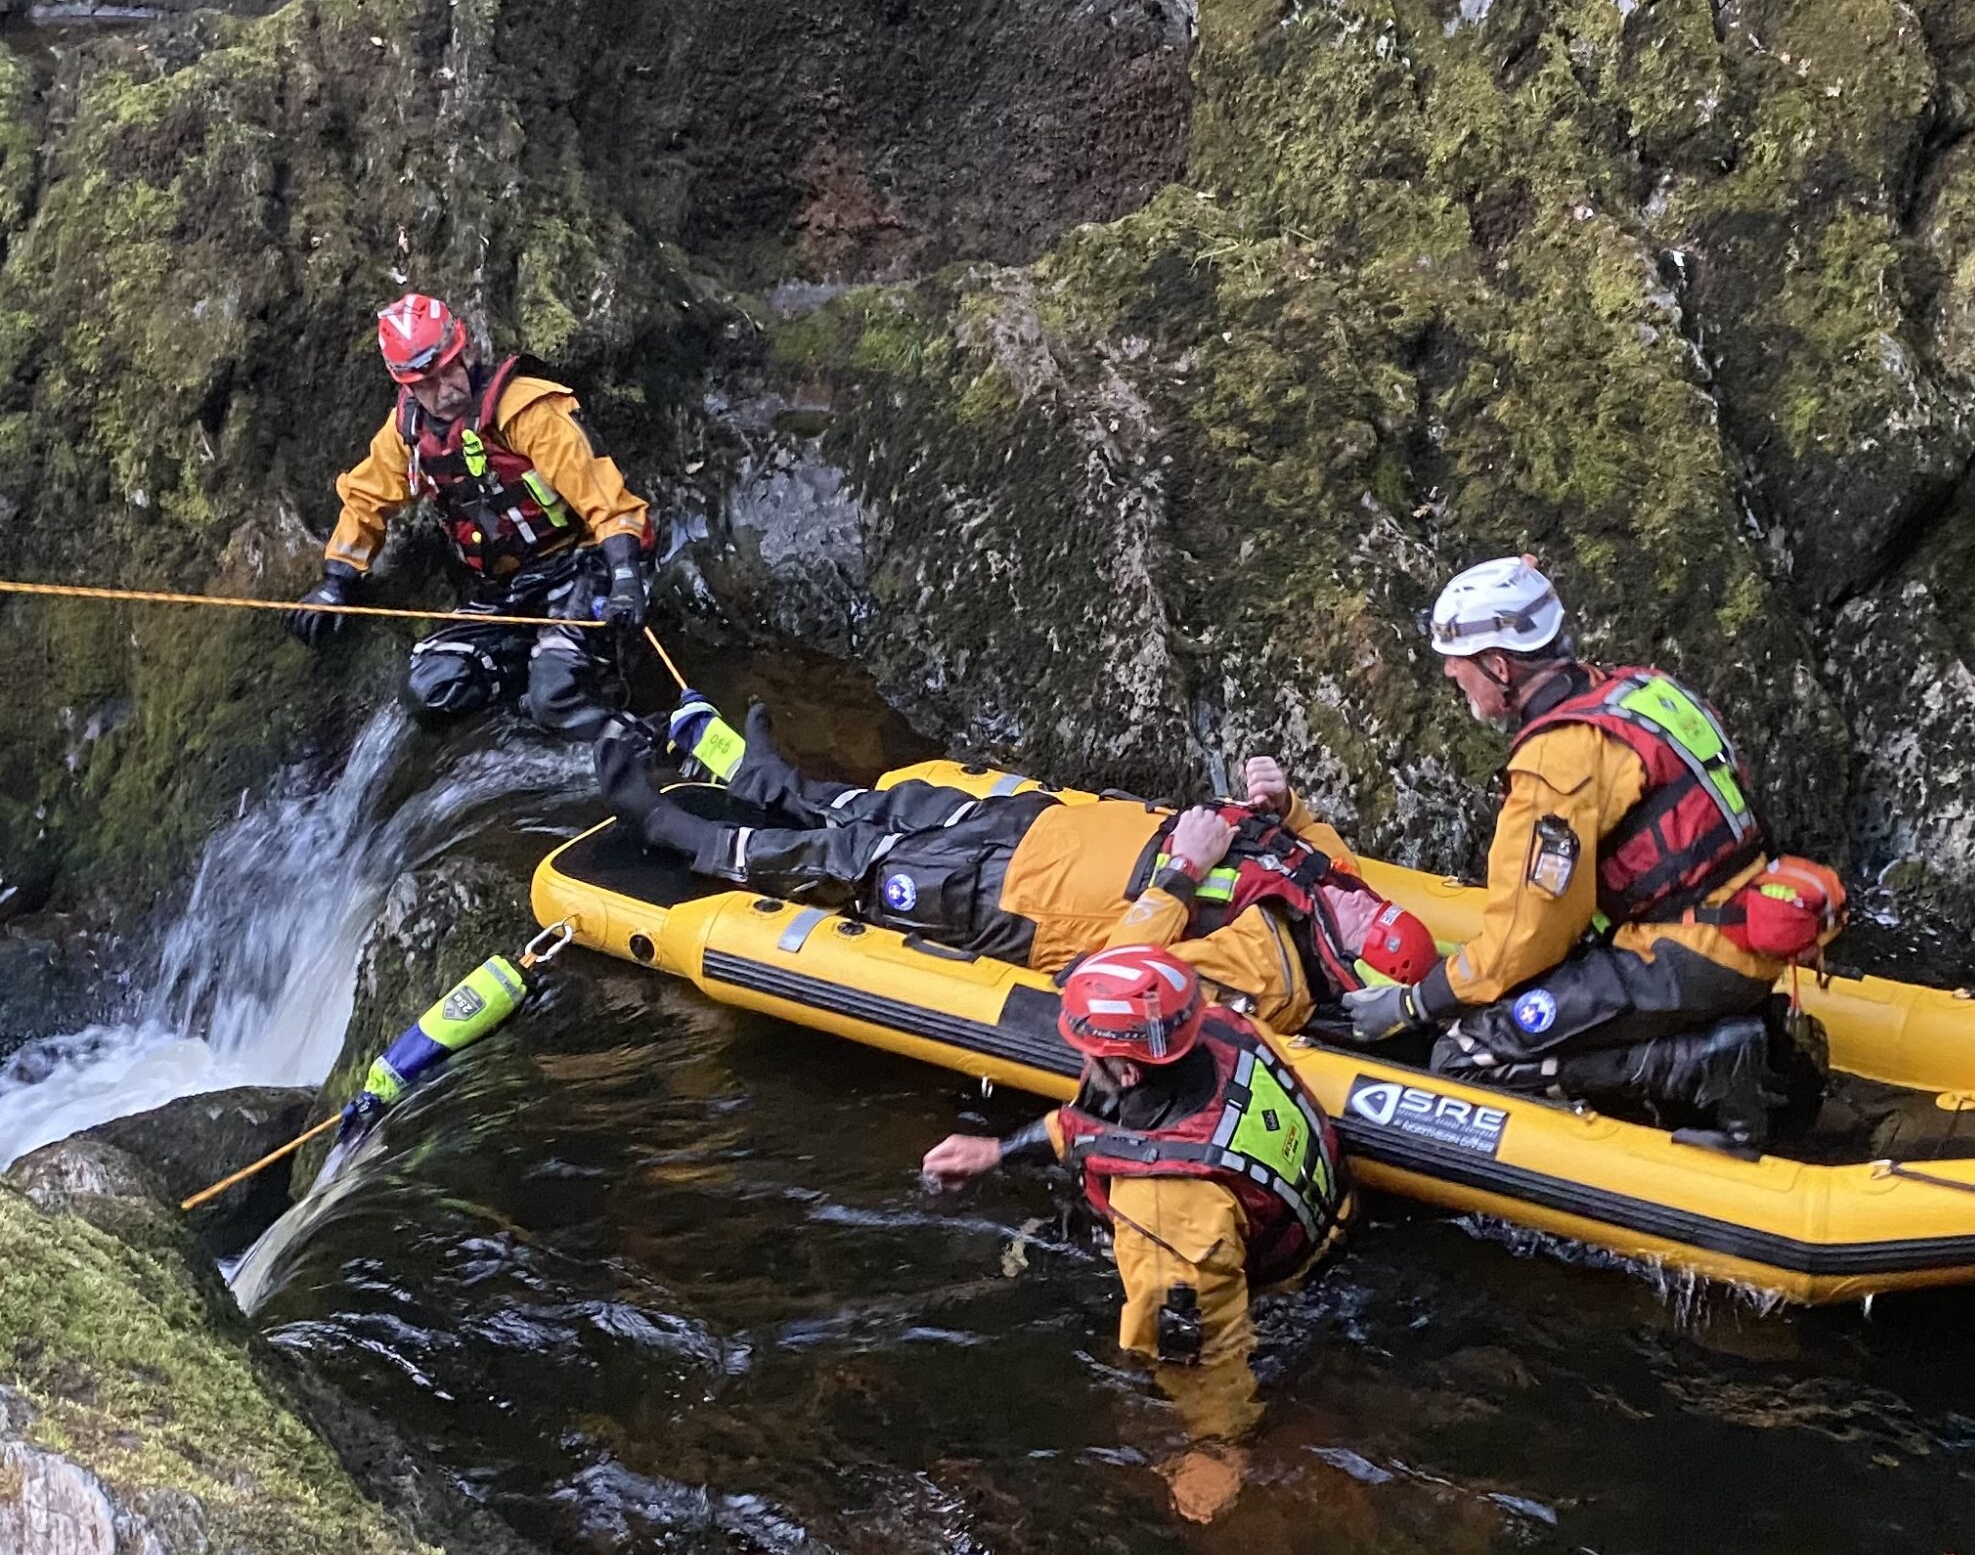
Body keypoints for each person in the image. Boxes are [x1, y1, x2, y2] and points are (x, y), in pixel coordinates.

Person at [1339, 555, 1838, 1141]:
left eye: (1458, 659)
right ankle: (1738, 1039)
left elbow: (1528, 936)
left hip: (1682, 956)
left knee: (1462, 1059)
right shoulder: (1642, 691)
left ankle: (1697, 1064)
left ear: (1498, 665)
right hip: (1734, 930)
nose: (1450, 671)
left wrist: (1414, 1004)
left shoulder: (1558, 762)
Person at [595, 710, 1436, 1032]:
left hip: (1019, 904)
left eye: (1366, 928)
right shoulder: (1336, 889)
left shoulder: (1269, 975)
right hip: (1050, 833)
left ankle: (678, 833)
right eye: (1373, 910)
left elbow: (1118, 979)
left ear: (1345, 968)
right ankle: (768, 783)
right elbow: (1310, 836)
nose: (1362, 906)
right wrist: (1282, 799)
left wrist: (1183, 873)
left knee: (858, 863)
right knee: (895, 806)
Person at [920, 944, 1349, 1419]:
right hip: (1319, 1218)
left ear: (1126, 1071)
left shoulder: (1161, 1200)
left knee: (1007, 1277)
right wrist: (1001, 1151)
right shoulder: (1228, 1029)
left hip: (1278, 1293)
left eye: (1089, 1053)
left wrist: (1213, 1441)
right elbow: (1106, 1126)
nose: (1082, 1059)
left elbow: (1200, 1353)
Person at [289, 293, 655, 740]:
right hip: (506, 593)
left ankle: (647, 743)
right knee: (431, 690)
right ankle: (533, 680)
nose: (444, 390)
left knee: (556, 696)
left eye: (448, 371)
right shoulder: (407, 434)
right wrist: (336, 580)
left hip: (582, 565)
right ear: (406, 386)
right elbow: (367, 497)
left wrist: (624, 576)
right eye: (426, 383)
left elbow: (608, 500)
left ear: (466, 352)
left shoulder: (527, 411)